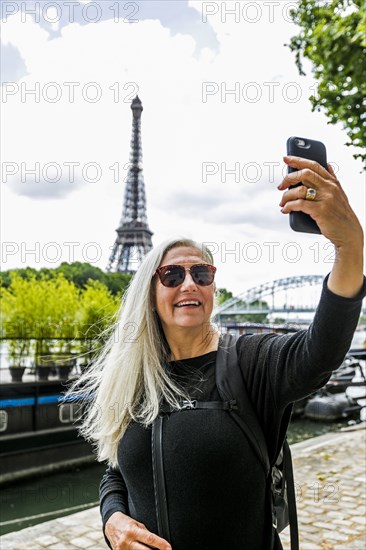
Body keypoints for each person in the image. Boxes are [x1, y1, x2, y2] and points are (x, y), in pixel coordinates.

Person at [71, 156, 365, 550]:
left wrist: (348, 246)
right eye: (172, 275)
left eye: (202, 274)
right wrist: (112, 520)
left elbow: (319, 352)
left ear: (212, 287)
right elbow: (118, 472)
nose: (189, 283)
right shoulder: (134, 376)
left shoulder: (249, 361)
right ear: (149, 293)